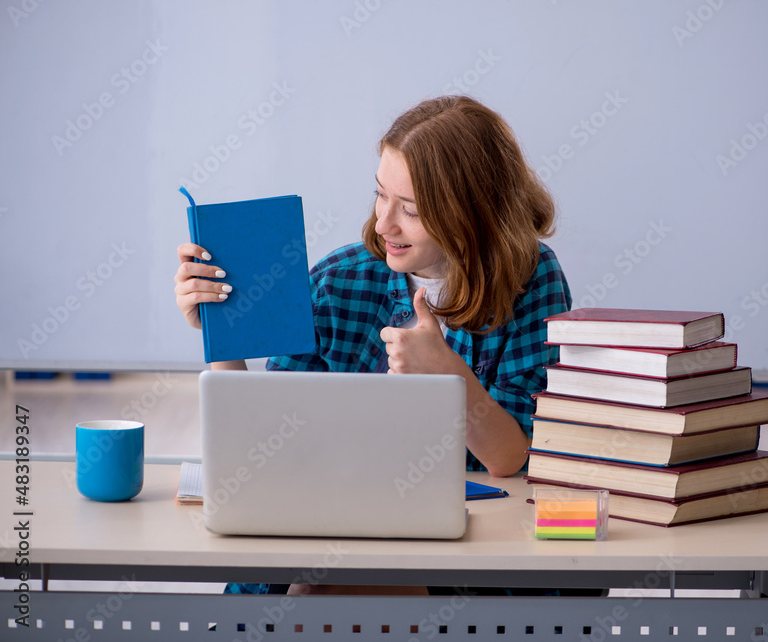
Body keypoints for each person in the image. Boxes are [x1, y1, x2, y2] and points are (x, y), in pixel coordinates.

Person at [173, 95, 572, 595]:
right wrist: (221, 332)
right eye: (381, 195)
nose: (385, 224)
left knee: (326, 593)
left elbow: (510, 458)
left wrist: (450, 377)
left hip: (469, 553)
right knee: (311, 586)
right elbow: (265, 448)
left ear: (473, 215)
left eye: (411, 209)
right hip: (331, 529)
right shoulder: (340, 280)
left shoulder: (531, 279)